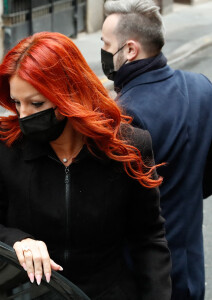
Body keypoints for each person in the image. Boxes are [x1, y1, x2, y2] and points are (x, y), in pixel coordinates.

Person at [0, 31, 171, 299]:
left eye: (36, 103)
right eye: (16, 103)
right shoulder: (3, 145)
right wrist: (18, 241)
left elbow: (148, 238)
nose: (23, 115)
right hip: (26, 293)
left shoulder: (127, 148)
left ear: (69, 96)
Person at [101, 1, 212, 299]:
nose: (103, 53)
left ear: (130, 50)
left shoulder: (122, 116)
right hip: (190, 269)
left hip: (145, 277)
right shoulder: (202, 87)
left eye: (106, 45)